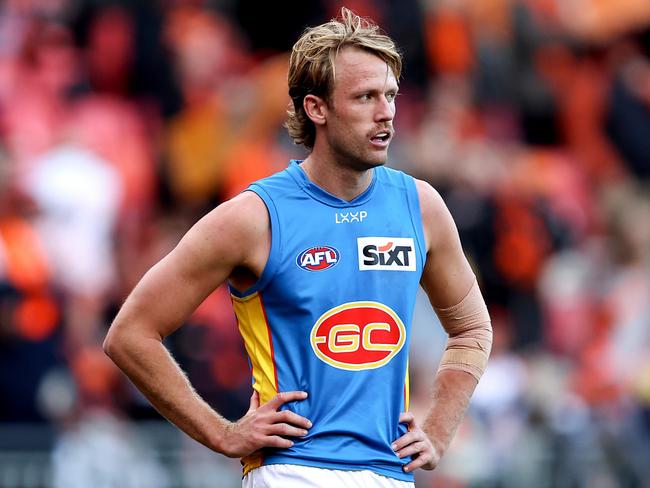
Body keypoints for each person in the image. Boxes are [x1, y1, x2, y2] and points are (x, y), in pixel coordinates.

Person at [104, 8, 492, 487]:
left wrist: (438, 429)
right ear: (317, 108)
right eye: (366, 96)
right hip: (292, 472)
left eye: (390, 95)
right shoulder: (254, 216)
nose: (386, 112)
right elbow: (130, 334)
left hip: (389, 476)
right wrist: (222, 434)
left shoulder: (421, 206)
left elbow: (472, 330)